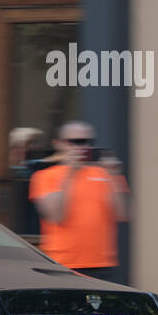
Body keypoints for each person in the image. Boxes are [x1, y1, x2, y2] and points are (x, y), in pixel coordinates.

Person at [29, 120, 129, 282]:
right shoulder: (45, 177)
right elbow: (56, 216)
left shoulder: (103, 173)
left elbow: (123, 214)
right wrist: (70, 173)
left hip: (103, 264)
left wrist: (115, 177)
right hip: (63, 265)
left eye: (88, 142)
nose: (82, 147)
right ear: (59, 144)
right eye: (75, 142)